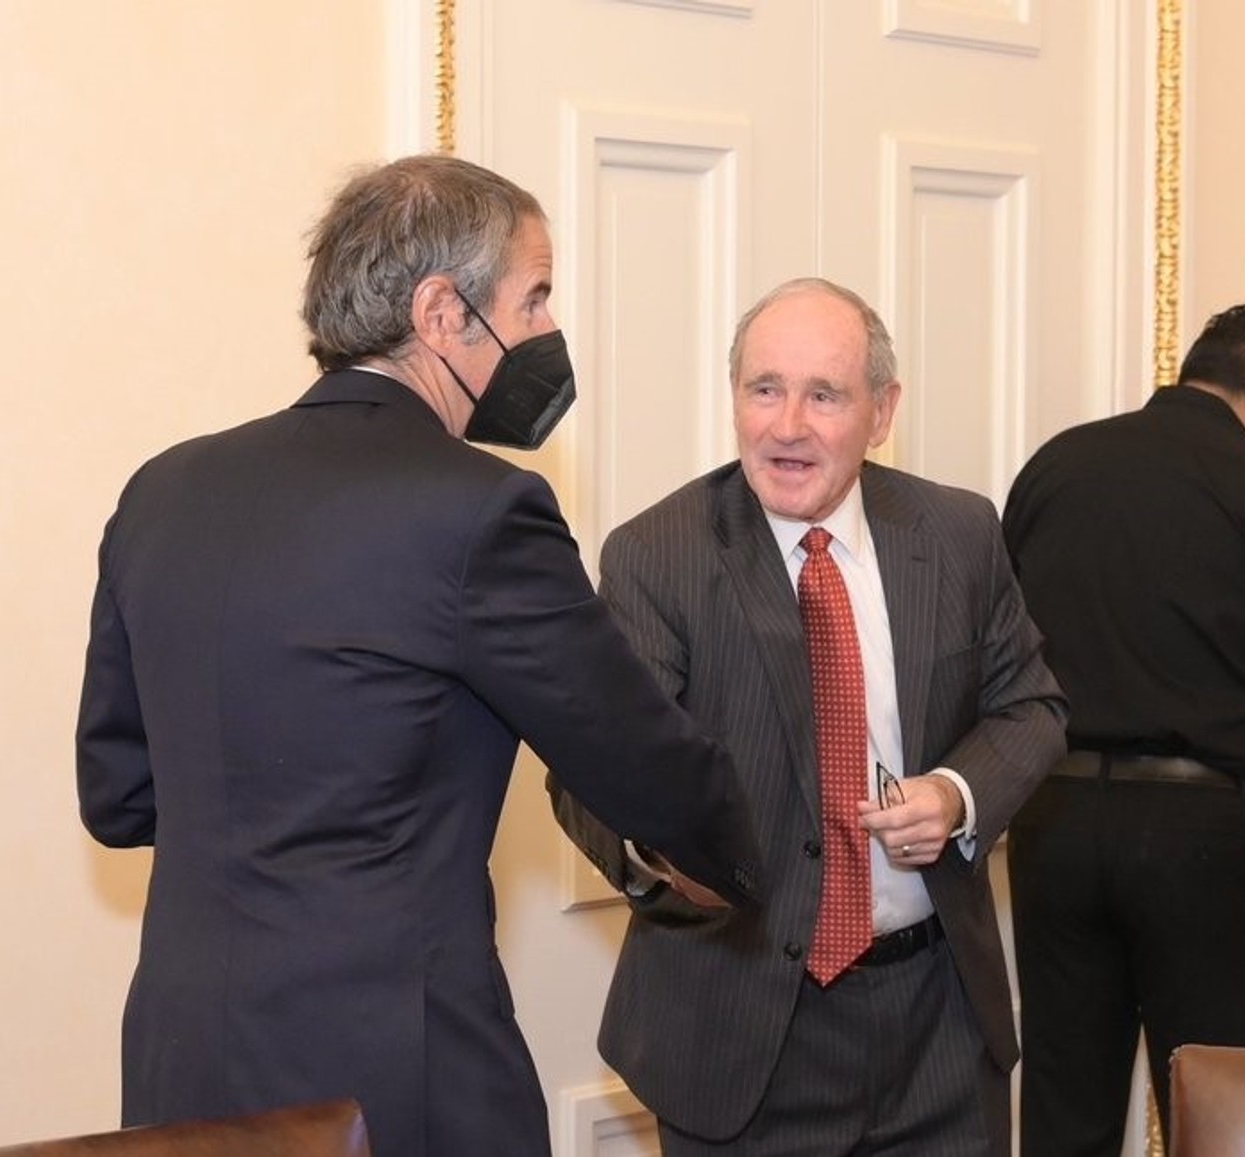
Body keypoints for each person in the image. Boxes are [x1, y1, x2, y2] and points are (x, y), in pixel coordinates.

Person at [75, 154, 761, 1157]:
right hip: (395, 1063)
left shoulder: (162, 491)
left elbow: (119, 798)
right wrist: (744, 866)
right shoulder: (481, 509)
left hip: (183, 1053)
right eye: (535, 297)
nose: (548, 329)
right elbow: (643, 761)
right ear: (443, 313)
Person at [550, 277, 1067, 1156]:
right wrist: (666, 858)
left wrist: (955, 793)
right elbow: (590, 772)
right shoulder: (659, 555)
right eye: (765, 389)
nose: (787, 426)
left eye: (824, 395)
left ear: (882, 411)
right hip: (740, 1031)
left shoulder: (957, 532)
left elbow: (1031, 704)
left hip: (938, 1025)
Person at [1000, 304, 1245, 1156]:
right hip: (1203, 829)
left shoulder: (1056, 465)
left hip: (1053, 816)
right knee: (1223, 1111)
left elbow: (999, 650)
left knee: (1063, 1106)